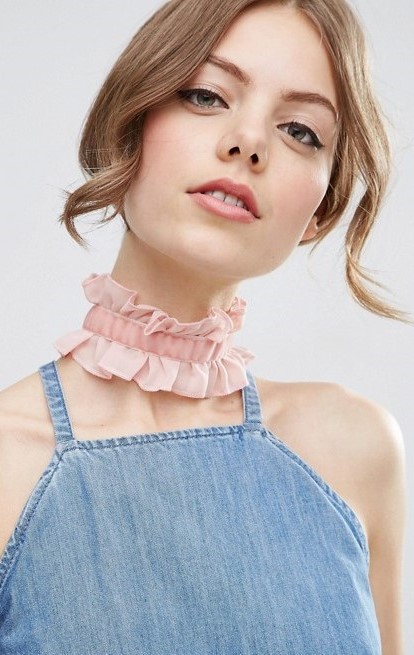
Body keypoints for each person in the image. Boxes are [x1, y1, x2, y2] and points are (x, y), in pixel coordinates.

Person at [0, 0, 407, 653]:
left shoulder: (355, 450)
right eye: (206, 95)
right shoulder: (7, 463)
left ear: (321, 211)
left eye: (301, 131)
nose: (248, 143)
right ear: (131, 122)